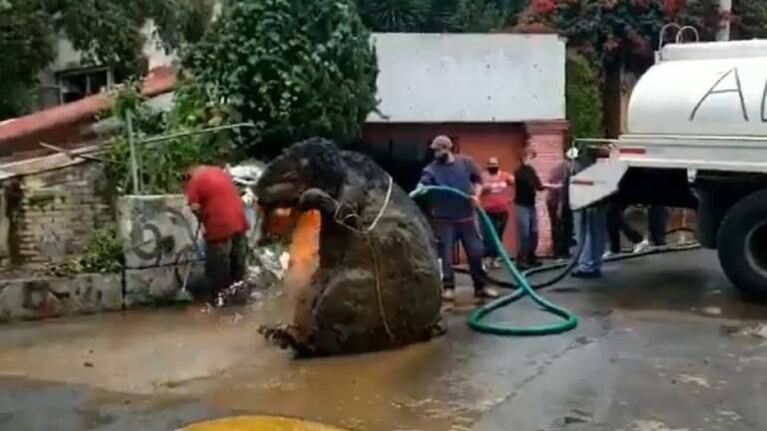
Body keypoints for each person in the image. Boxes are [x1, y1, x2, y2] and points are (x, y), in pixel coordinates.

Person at [418, 135, 499, 301]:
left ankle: (481, 286)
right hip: (444, 219)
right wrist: (421, 187)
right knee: (446, 255)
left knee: (476, 252)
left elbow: (478, 181)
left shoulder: (465, 162)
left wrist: (476, 196)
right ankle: (448, 287)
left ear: (447, 149)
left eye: (438, 150)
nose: (435, 154)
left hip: (467, 217)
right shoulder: (431, 170)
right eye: (434, 150)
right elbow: (424, 183)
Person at [185, 165, 249, 303]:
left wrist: (201, 219)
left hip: (219, 225)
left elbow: (194, 206)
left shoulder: (194, 181)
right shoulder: (220, 172)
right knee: (237, 266)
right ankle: (241, 301)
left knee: (217, 269)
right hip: (239, 221)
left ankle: (219, 306)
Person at [514, 149, 557, 268]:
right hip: (522, 205)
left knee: (534, 232)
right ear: (524, 158)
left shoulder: (531, 171)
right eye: (532, 157)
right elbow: (529, 183)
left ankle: (531, 258)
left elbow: (539, 186)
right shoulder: (519, 172)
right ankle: (521, 260)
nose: (534, 161)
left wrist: (551, 186)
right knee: (524, 234)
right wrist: (546, 186)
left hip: (531, 205)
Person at [479, 157, 514, 269]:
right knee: (488, 235)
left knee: (498, 235)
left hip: (502, 211)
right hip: (487, 211)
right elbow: (477, 189)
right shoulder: (482, 176)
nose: (492, 166)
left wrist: (511, 198)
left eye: (495, 164)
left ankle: (494, 259)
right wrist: (485, 188)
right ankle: (486, 258)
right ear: (487, 165)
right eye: (490, 164)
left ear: (498, 165)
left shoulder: (504, 175)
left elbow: (513, 182)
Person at [546, 158, 572, 260]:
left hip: (560, 201)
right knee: (558, 226)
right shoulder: (564, 170)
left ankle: (563, 252)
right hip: (556, 202)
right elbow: (560, 191)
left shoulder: (565, 168)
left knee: (563, 226)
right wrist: (560, 209)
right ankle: (558, 253)